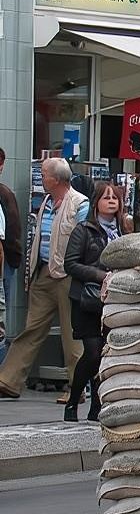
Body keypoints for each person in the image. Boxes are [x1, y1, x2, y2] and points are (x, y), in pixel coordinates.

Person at [0, 158, 89, 401]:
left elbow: (83, 240)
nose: (41, 176)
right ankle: (8, 380)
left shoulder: (79, 203)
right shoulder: (48, 201)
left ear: (56, 179)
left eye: (44, 173)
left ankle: (77, 387)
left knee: (72, 333)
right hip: (44, 272)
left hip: (68, 273)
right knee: (33, 328)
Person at [62, 182, 127, 421]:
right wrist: (101, 275)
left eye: (115, 198)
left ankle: (96, 407)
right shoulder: (84, 229)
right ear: (96, 202)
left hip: (114, 301)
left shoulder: (123, 231)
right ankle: (73, 401)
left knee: (105, 355)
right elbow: (70, 264)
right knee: (92, 353)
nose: (111, 201)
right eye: (105, 197)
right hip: (86, 301)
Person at [0, 149, 21, 364]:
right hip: (6, 260)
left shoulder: (4, 194)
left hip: (4, 262)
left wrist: (12, 259)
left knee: (1, 315)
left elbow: (13, 231)